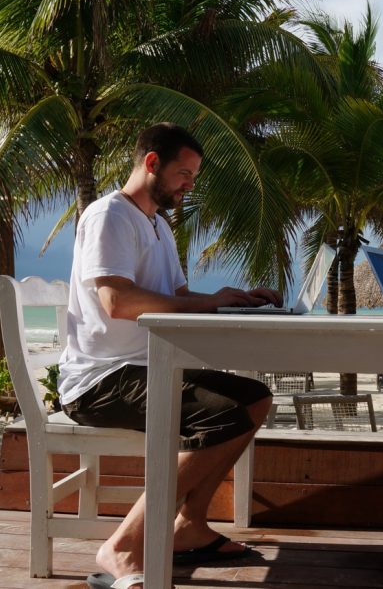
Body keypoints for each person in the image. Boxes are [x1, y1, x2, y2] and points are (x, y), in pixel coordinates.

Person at [57, 123, 281, 589]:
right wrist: (207, 301)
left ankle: (188, 526)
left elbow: (176, 295)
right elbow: (117, 302)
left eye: (193, 177)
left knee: (255, 398)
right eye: (184, 173)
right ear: (151, 163)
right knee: (221, 416)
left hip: (146, 368)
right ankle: (122, 546)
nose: (189, 186)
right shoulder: (109, 215)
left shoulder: (157, 224)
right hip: (102, 380)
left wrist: (228, 298)